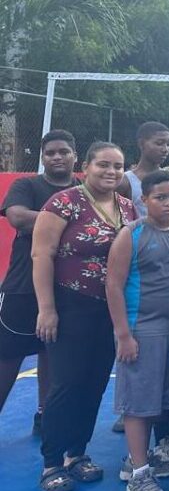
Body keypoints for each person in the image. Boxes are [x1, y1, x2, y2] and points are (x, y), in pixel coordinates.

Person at [33, 141, 137, 491]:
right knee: (65, 383)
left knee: (94, 383)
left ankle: (76, 455)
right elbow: (42, 254)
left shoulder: (127, 207)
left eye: (117, 166)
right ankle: (50, 462)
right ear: (87, 166)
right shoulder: (64, 202)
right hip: (70, 304)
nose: (110, 172)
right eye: (103, 165)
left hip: (109, 309)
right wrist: (47, 308)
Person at [105, 170, 169, 491]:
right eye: (161, 197)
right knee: (138, 404)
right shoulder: (132, 234)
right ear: (145, 200)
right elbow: (113, 284)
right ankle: (139, 474)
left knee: (163, 400)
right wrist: (123, 334)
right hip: (141, 328)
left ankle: (138, 459)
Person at [0, 130, 77, 429]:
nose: (57, 157)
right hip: (22, 287)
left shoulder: (83, 190)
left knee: (52, 355)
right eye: (51, 153)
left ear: (75, 155)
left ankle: (45, 416)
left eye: (63, 151)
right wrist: (68, 221)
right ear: (43, 158)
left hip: (66, 288)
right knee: (8, 356)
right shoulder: (27, 185)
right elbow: (17, 217)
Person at [118, 121, 169, 218]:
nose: (165, 149)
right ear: (141, 144)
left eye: (168, 144)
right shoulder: (126, 182)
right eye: (159, 143)